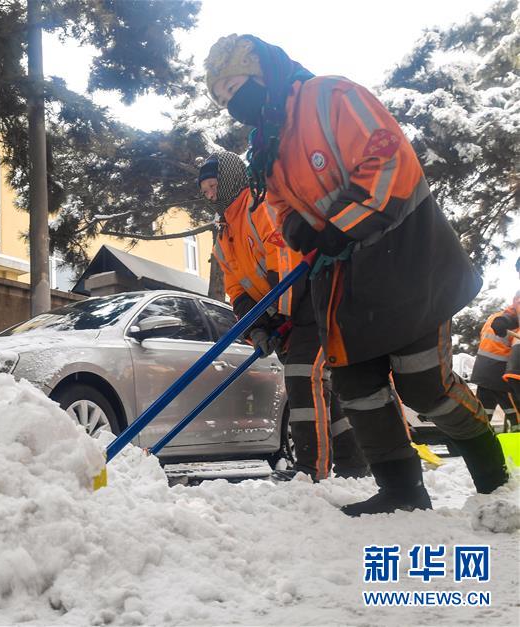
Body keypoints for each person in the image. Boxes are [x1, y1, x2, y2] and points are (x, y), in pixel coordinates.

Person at [203, 35, 508, 515]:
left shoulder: (330, 97)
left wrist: (340, 225)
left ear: (262, 72)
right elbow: (279, 210)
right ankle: (401, 488)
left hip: (401, 258)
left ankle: (493, 476)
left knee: (425, 385)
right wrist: (298, 228)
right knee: (358, 384)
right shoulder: (269, 145)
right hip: (341, 280)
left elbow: (390, 161)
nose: (231, 104)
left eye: (234, 88)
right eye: (221, 100)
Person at [200, 151, 368, 480]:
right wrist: (258, 328)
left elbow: (285, 262)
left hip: (311, 303)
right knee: (323, 390)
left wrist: (280, 314)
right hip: (283, 317)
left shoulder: (259, 208)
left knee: (303, 377)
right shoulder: (222, 235)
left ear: (231, 180)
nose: (208, 194)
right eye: (204, 188)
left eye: (212, 185)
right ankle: (354, 464)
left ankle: (310, 471)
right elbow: (237, 289)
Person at [470, 294, 519, 432]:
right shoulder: (514, 325)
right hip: (503, 379)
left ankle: (481, 446)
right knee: (516, 416)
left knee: (483, 416)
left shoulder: (494, 317)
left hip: (483, 373)